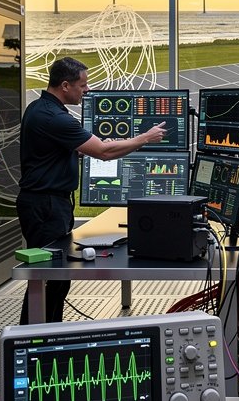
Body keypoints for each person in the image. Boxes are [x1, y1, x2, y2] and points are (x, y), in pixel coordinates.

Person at [17, 57, 167, 324]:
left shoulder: (38, 108)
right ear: (65, 85)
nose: (87, 91)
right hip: (47, 207)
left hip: (44, 204)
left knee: (53, 280)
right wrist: (145, 138)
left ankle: (47, 333)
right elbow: (104, 152)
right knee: (47, 280)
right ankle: (34, 340)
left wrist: (87, 149)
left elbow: (56, 152)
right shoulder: (55, 118)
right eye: (82, 86)